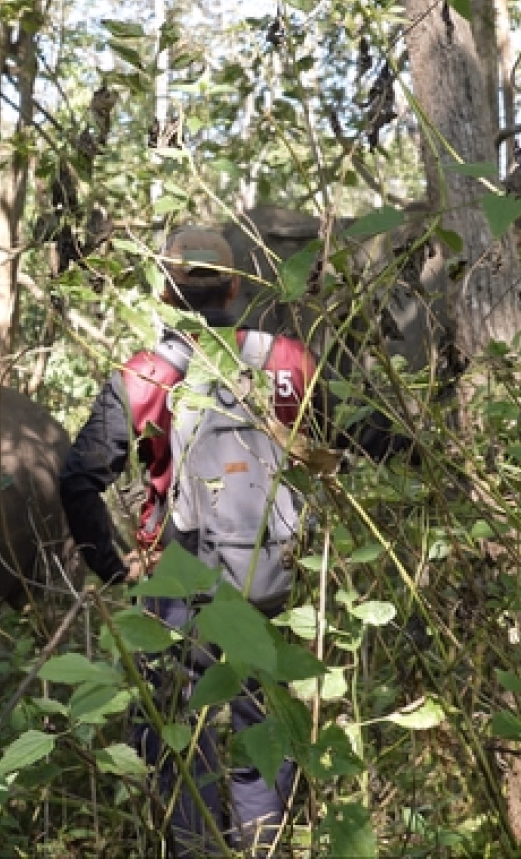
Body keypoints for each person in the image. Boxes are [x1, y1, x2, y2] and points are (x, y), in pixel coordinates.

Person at [58, 225, 318, 856]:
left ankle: (193, 847)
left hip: (178, 586)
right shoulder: (287, 360)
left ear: (168, 293)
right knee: (268, 736)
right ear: (235, 286)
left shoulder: (146, 375)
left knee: (175, 736)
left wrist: (115, 568)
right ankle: (266, 845)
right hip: (274, 576)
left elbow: (77, 479)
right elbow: (358, 439)